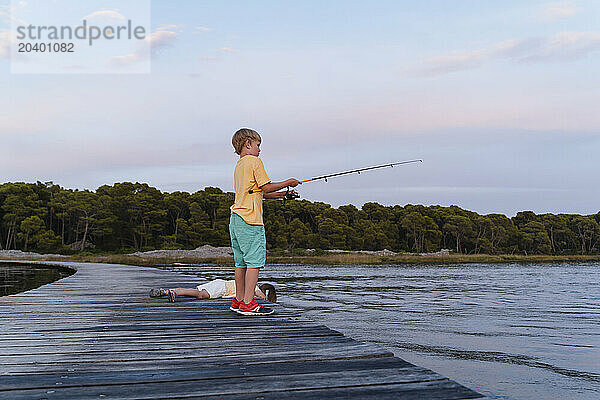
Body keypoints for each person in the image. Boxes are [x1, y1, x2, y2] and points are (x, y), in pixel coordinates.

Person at [229, 128, 298, 315]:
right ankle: (249, 304)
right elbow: (266, 186)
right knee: (254, 263)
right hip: (251, 220)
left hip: (236, 220)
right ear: (248, 144)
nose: (260, 149)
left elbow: (262, 192)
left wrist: (283, 194)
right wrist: (288, 182)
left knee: (241, 263)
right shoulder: (254, 161)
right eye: (258, 145)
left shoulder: (240, 165)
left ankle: (239, 300)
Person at [149, 280, 277, 303]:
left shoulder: (250, 286)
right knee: (200, 295)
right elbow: (261, 297)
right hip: (222, 288)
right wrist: (265, 299)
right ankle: (175, 293)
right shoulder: (253, 287)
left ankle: (166, 292)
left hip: (220, 284)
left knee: (196, 292)